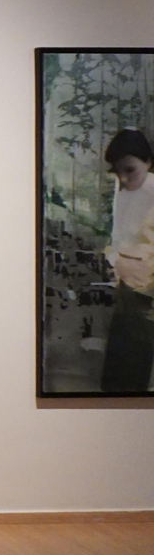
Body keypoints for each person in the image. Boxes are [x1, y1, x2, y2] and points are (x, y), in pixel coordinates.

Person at [101, 128, 154, 391]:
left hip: (150, 299)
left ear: (148, 162)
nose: (123, 177)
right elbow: (116, 240)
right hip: (126, 293)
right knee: (116, 374)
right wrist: (112, 260)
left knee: (138, 371)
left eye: (130, 170)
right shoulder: (122, 195)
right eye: (118, 171)